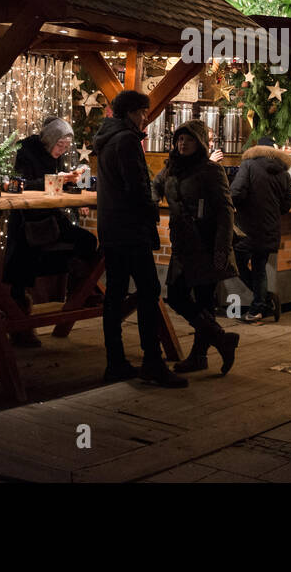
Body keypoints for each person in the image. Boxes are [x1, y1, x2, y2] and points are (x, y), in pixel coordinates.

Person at [93, 90, 186, 387]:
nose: (146, 117)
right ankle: (152, 361)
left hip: (112, 228)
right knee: (148, 291)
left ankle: (115, 361)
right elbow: (136, 187)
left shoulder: (108, 139)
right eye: (143, 112)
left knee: (115, 295)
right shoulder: (127, 141)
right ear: (131, 112)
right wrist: (149, 215)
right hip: (130, 229)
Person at [153, 120, 241, 375]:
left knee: (203, 300)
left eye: (189, 139)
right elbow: (154, 188)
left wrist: (222, 250)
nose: (183, 143)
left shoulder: (210, 170)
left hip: (205, 241)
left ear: (200, 143)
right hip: (183, 243)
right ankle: (221, 339)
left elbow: (226, 211)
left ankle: (199, 355)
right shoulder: (172, 168)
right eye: (180, 139)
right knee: (177, 295)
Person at [4, 117, 101, 347]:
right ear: (50, 140)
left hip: (51, 218)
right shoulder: (26, 149)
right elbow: (23, 184)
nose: (63, 150)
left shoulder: (55, 155)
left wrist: (74, 180)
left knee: (87, 241)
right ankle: (19, 327)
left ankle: (79, 294)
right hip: (26, 221)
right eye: (60, 146)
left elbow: (55, 186)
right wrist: (56, 180)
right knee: (21, 270)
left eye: (66, 147)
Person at [230, 135, 291, 323]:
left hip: (247, 227)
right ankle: (260, 305)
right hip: (270, 228)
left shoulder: (248, 165)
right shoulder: (284, 173)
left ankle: (261, 302)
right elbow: (286, 207)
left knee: (235, 263)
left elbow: (236, 193)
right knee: (259, 268)